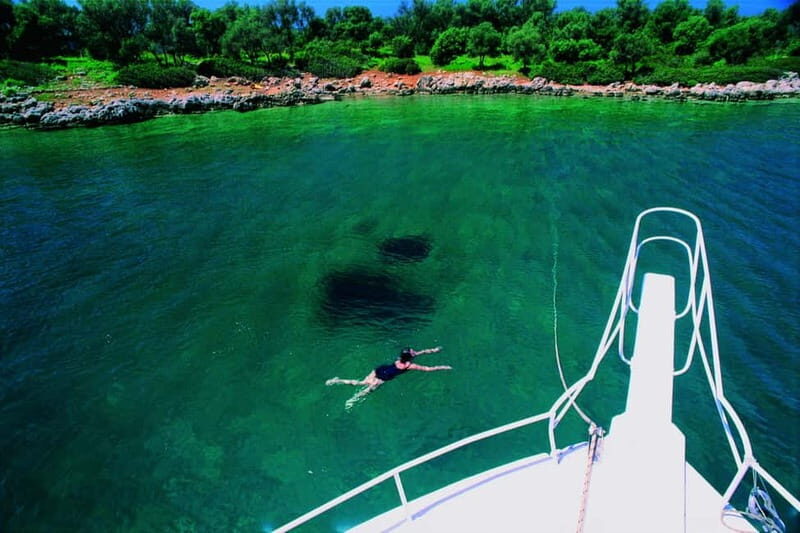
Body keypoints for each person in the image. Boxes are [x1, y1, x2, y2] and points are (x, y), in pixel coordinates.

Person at [326, 346, 451, 409]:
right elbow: (428, 369)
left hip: (379, 369)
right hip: (383, 378)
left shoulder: (400, 359)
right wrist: (442, 367)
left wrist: (434, 350)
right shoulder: (410, 365)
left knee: (361, 382)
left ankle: (336, 381)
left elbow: (422, 352)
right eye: (413, 352)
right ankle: (352, 401)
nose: (415, 352)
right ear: (410, 357)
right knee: (367, 390)